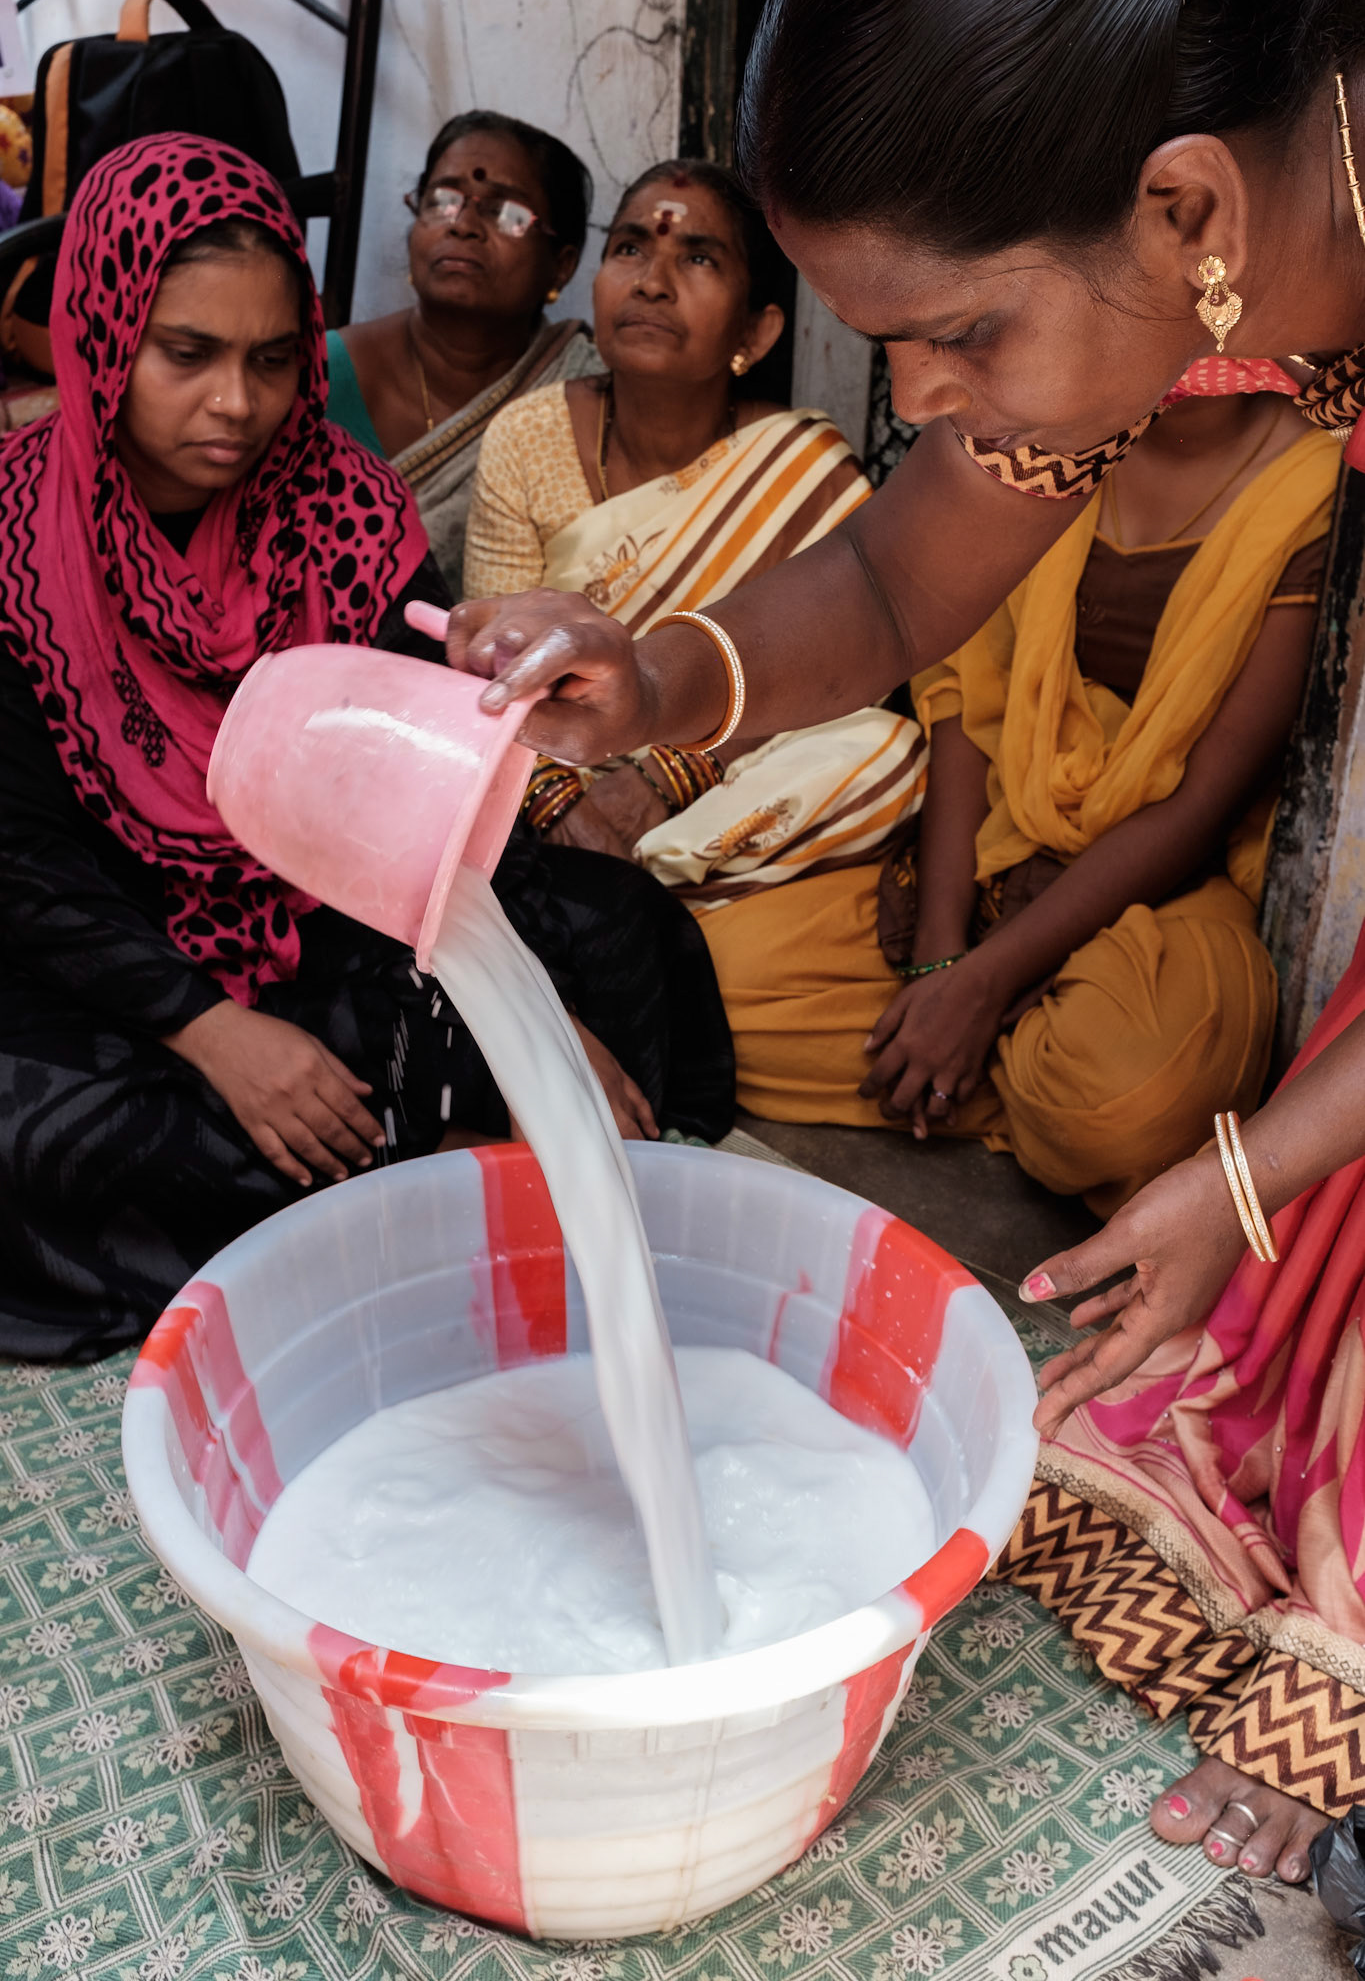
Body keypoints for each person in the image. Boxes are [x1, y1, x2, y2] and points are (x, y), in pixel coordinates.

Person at [436, 0, 1365, 1889]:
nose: (918, 396)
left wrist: (1260, 1176)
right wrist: (650, 667)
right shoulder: (1181, 262)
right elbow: (883, 594)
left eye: (952, 334)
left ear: (1187, 206)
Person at [0, 132, 733, 1364]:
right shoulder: (19, 538)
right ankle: (430, 1162)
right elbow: (20, 854)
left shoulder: (343, 510)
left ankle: (408, 1155)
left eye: (274, 360)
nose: (236, 404)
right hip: (103, 943)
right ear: (102, 328)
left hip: (333, 913)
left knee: (617, 940)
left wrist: (523, 1024)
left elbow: (422, 787)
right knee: (34, 1135)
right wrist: (210, 1029)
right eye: (186, 354)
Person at [704, 385, 1339, 1214]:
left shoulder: (1313, 489)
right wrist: (939, 957)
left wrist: (979, 987)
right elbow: (965, 713)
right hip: (995, 855)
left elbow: (1197, 807)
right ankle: (993, 1072)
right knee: (718, 981)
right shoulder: (1049, 441)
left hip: (1164, 897)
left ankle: (970, 1065)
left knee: (1122, 1098)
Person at [463, 158, 925, 901]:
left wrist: (670, 772)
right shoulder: (528, 437)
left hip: (727, 778)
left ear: (756, 329)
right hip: (558, 763)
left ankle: (647, 882)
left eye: (698, 257)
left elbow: (839, 677)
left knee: (884, 751)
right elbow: (494, 667)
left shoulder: (803, 468)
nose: (651, 281)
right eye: (630, 248)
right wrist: (560, 802)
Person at [326, 110, 601, 590]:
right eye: (444, 200)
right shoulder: (323, 375)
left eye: (507, 213)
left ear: (562, 265)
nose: (465, 225)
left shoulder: (580, 396)